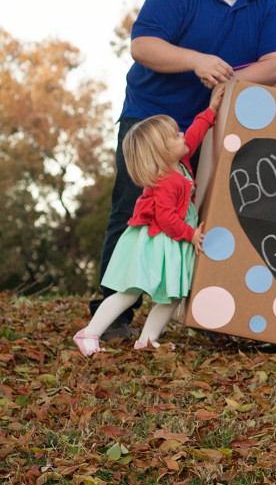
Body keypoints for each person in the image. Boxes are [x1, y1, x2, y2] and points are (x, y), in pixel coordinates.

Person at [91, 0, 276, 339]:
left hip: (213, 125)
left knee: (210, 212)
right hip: (151, 120)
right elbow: (142, 46)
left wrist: (227, 79)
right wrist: (196, 61)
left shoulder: (266, 3)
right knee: (133, 210)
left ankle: (208, 312)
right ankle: (113, 317)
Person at [74, 85, 225, 355]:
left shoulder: (180, 161)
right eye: (174, 136)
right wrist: (191, 235)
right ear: (160, 153)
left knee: (172, 295)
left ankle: (147, 340)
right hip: (157, 242)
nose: (182, 134)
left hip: (171, 243)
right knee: (130, 292)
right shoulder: (166, 180)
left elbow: (194, 134)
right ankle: (89, 333)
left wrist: (211, 110)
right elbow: (166, 218)